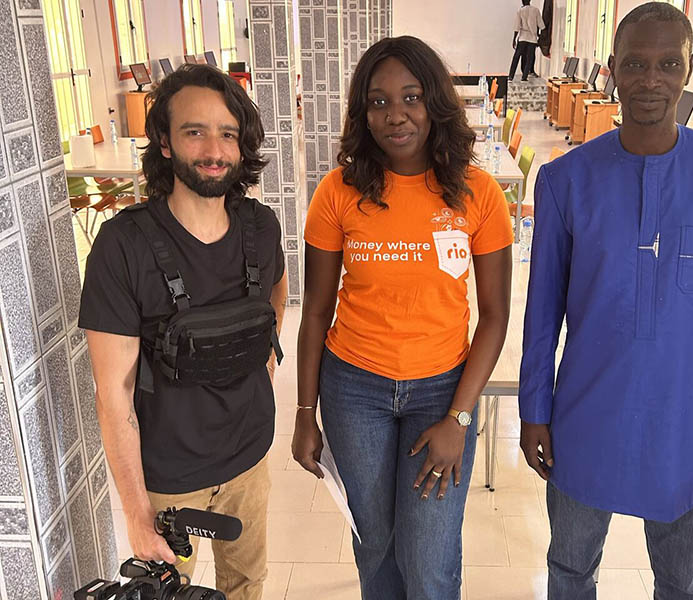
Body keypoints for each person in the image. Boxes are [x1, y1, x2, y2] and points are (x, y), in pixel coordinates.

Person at [519, 4, 693, 599]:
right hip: (585, 414)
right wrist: (534, 410)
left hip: (685, 419)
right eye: (635, 64)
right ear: (612, 71)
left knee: (681, 580)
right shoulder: (566, 179)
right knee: (570, 570)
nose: (651, 79)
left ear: (690, 69)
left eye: (669, 63)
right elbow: (542, 313)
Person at [292, 36, 513, 600]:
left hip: (442, 390)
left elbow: (494, 316)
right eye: (379, 101)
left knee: (432, 555)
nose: (396, 115)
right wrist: (303, 412)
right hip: (354, 389)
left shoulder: (478, 194)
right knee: (375, 545)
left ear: (435, 102)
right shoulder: (338, 193)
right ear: (362, 113)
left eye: (411, 97)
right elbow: (315, 311)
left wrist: (459, 419)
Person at [79, 64, 287, 600]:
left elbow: (279, 291)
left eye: (228, 134)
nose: (213, 149)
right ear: (166, 144)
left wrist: (260, 364)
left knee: (248, 583)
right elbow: (114, 395)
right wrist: (135, 511)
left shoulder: (261, 227)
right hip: (171, 477)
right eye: (195, 131)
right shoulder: (123, 246)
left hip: (249, 458)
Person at [509, 0, 545, 81]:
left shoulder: (520, 11)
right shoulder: (535, 10)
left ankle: (511, 75)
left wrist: (514, 39)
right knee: (530, 58)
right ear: (529, 1)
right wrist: (539, 36)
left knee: (516, 57)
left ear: (522, 2)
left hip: (522, 37)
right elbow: (541, 25)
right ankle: (524, 77)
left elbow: (517, 26)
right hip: (532, 38)